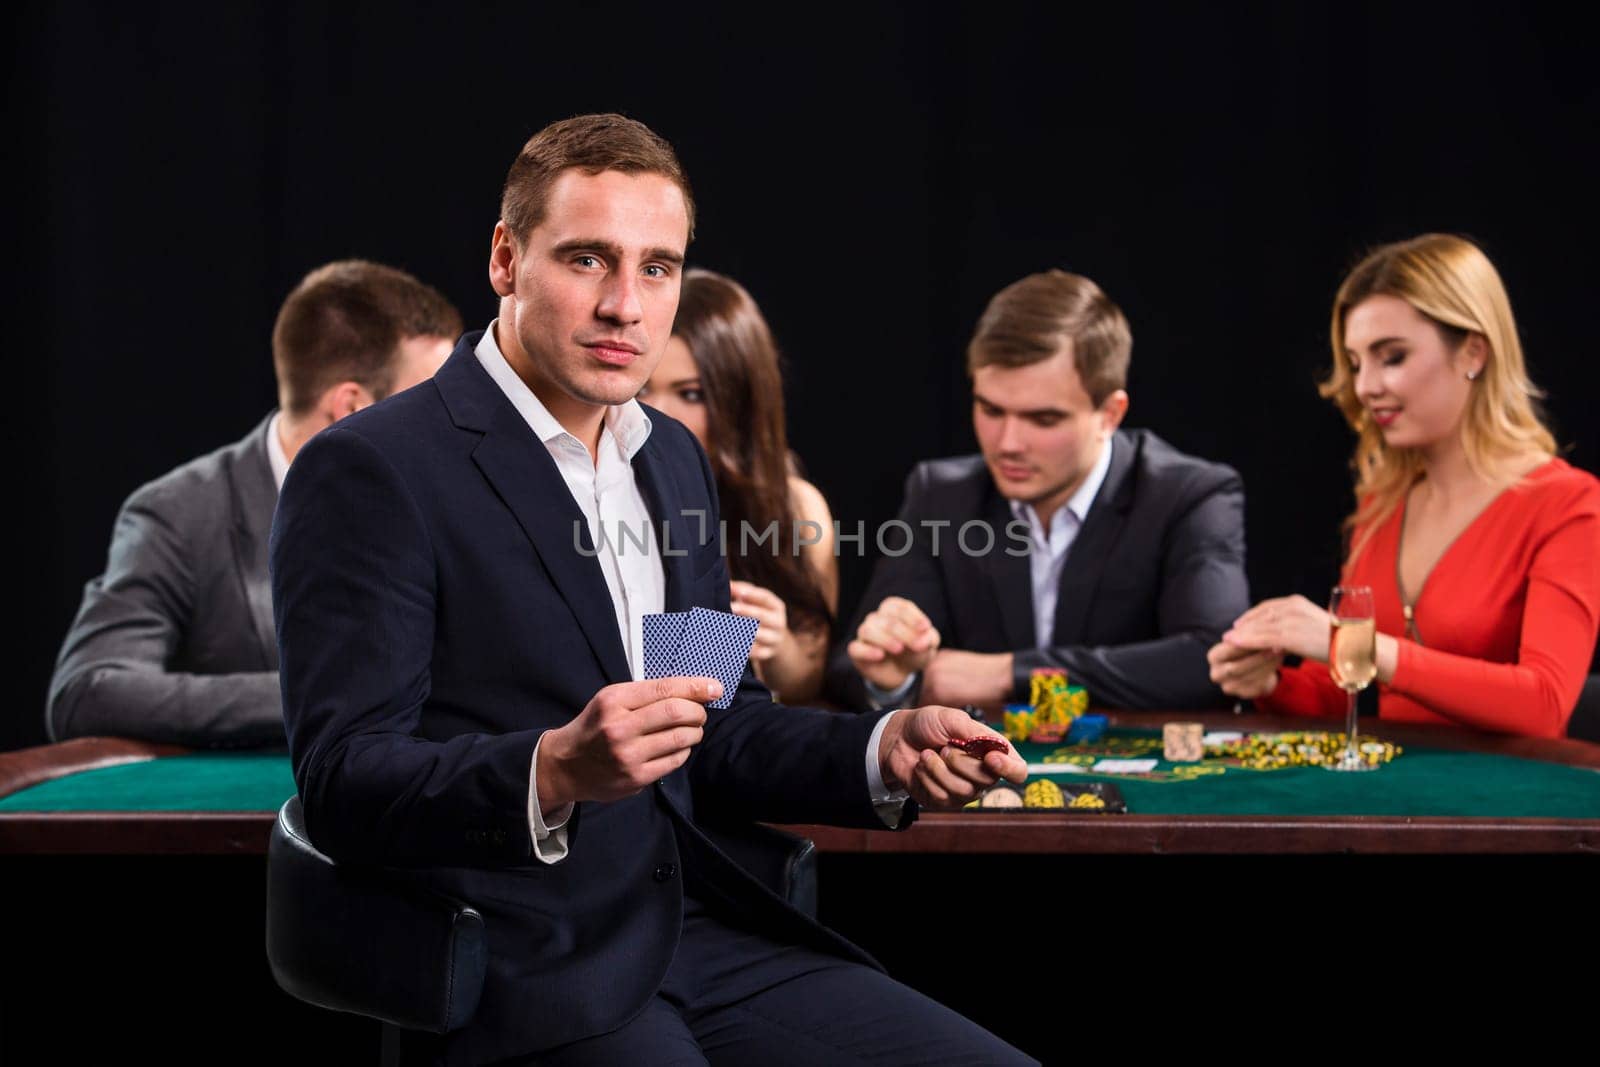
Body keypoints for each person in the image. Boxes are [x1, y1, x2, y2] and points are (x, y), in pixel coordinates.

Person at [270, 113, 1032, 1064]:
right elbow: (343, 782)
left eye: (658, 266)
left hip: (706, 935)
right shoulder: (372, 469)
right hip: (525, 966)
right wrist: (551, 768)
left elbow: (720, 725)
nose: (626, 305)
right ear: (506, 259)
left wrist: (887, 747)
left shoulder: (668, 457)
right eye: (588, 259)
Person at [47, 260, 461, 748]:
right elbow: (87, 692)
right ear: (351, 406)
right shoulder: (180, 513)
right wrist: (321, 692)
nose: (449, 421)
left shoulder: (454, 498)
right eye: (428, 401)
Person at [1208, 233, 1600, 739]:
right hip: (1394, 796)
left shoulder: (1569, 504)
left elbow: (1545, 703)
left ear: (1473, 353)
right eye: (1355, 363)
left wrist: (1363, 644)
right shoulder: (1382, 504)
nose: (1365, 386)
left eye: (1390, 357)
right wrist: (1266, 683)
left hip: (1507, 805)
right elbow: (1336, 694)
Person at [828, 268, 1249, 713]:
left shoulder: (1189, 494)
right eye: (990, 409)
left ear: (1110, 414)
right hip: (982, 775)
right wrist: (890, 678)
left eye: (1042, 420)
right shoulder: (941, 495)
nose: (1007, 443)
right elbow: (849, 667)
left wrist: (1006, 673)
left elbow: (1214, 663)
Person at [638, 268, 837, 703]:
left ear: (739, 400)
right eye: (644, 388)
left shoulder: (796, 508)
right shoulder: (600, 491)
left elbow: (806, 684)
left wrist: (777, 644)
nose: (657, 412)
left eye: (691, 394)